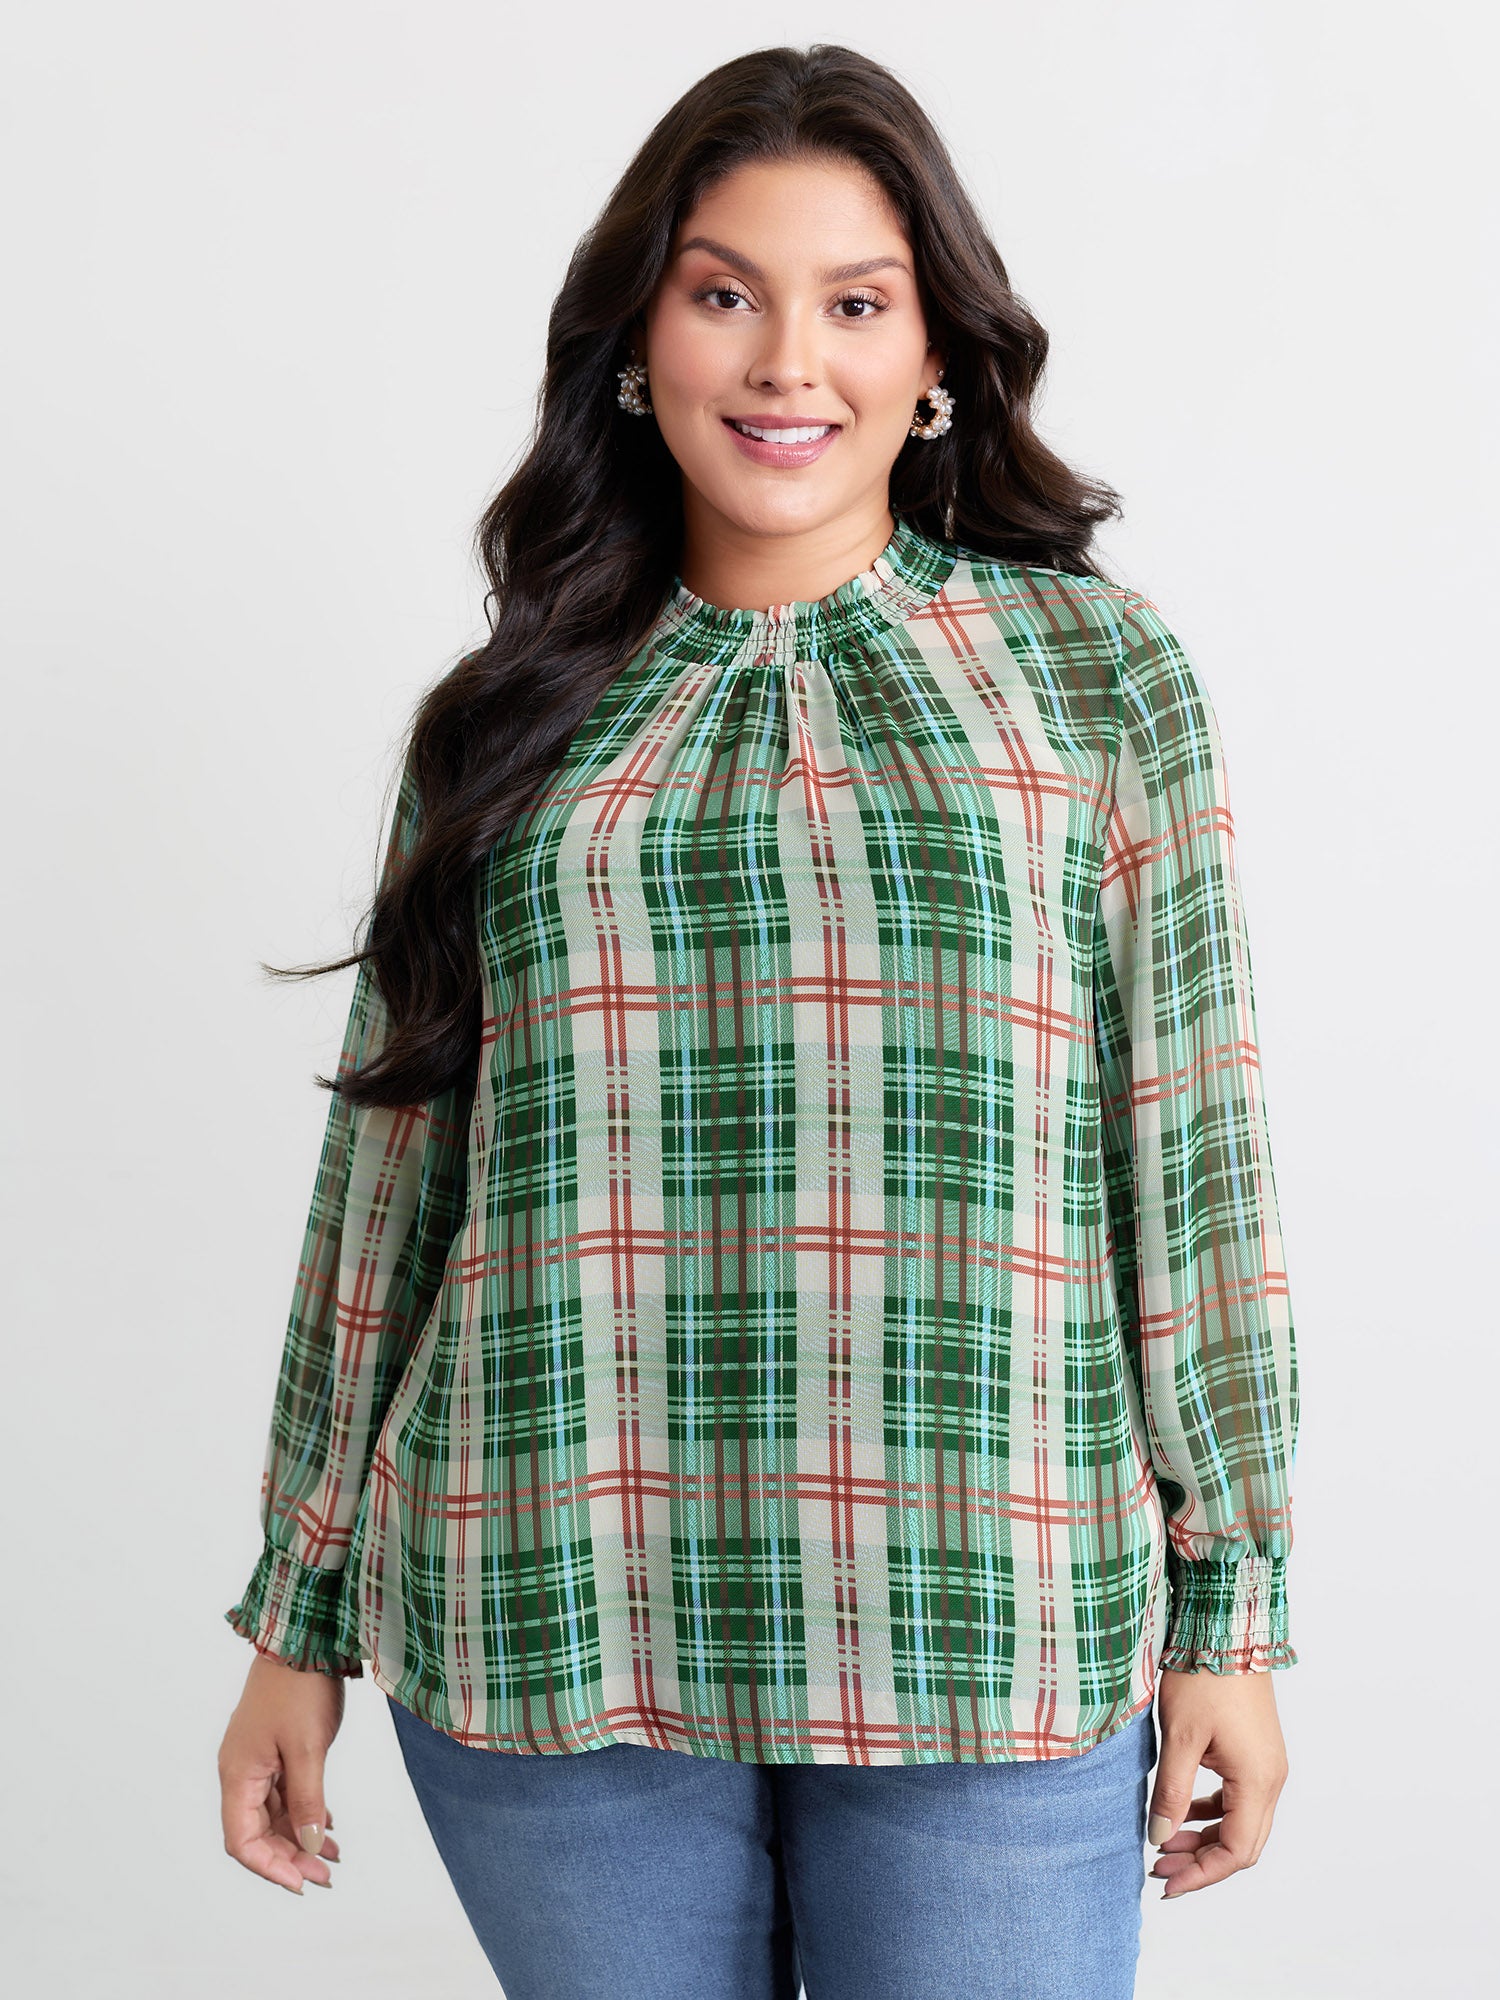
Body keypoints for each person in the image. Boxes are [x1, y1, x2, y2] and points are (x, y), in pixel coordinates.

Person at [217, 42, 1299, 2000]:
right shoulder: (508, 718)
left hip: (986, 1606)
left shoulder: (1094, 681)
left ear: (936, 351)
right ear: (640, 340)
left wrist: (1233, 1605)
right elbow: (388, 1182)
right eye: (725, 293)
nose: (788, 360)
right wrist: (295, 1611)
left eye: (855, 304)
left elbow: (1195, 1153)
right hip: (550, 1591)